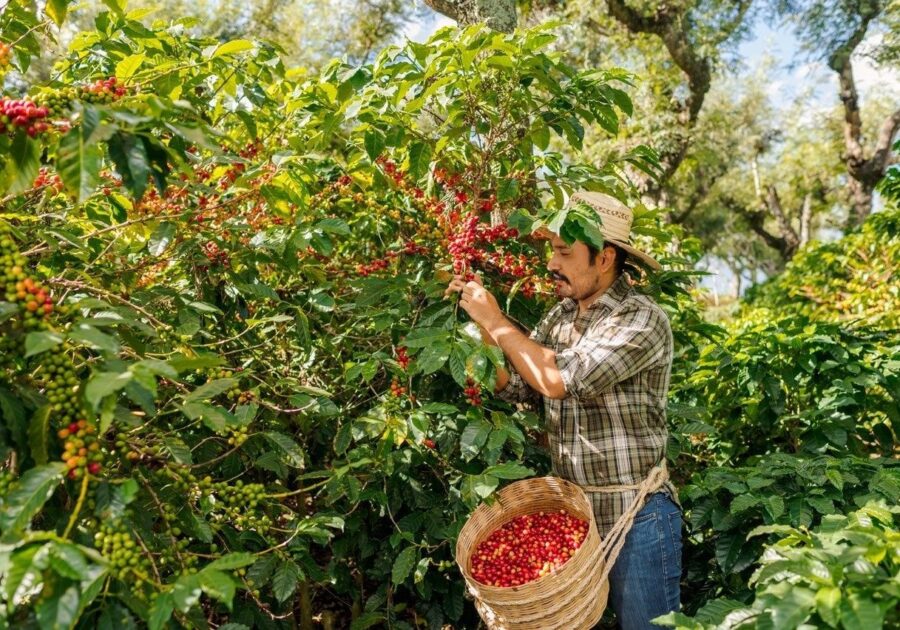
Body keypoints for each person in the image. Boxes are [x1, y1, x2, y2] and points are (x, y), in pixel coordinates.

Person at [445, 191, 681, 629]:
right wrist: (479, 327)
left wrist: (497, 321)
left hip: (637, 515)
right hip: (572, 518)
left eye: (564, 252)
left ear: (605, 258)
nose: (551, 263)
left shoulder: (641, 320)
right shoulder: (558, 319)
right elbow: (520, 385)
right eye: (551, 250)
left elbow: (558, 380)